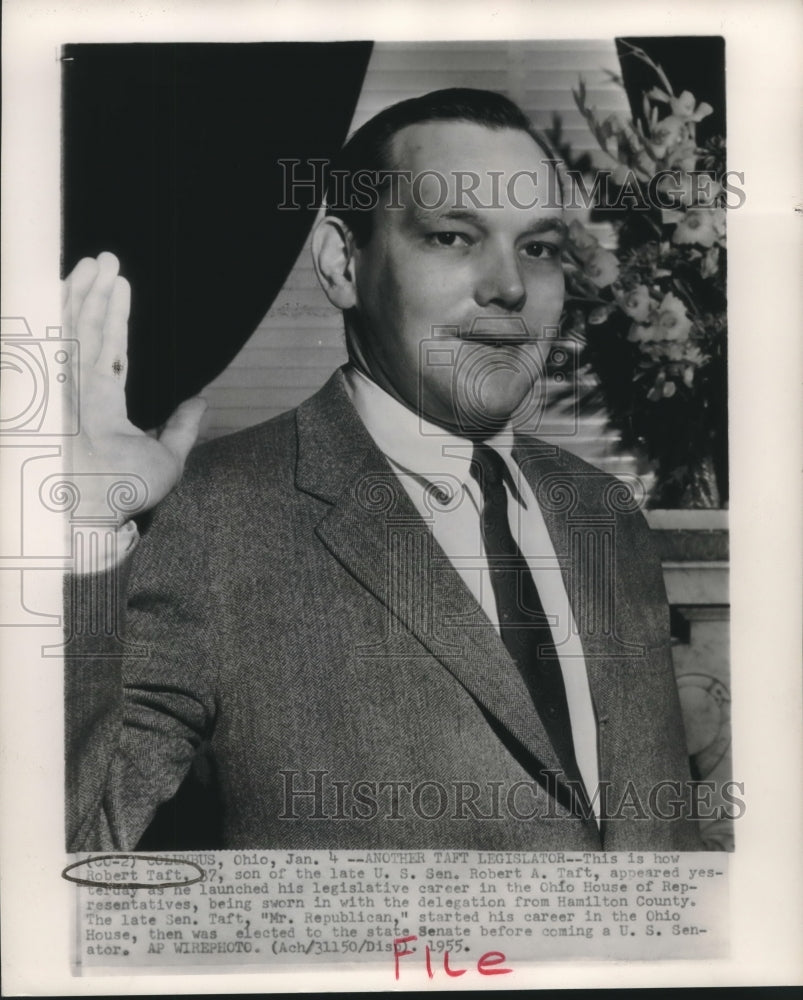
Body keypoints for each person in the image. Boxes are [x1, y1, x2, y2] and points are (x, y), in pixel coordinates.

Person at [64, 89, 703, 852]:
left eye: (537, 248)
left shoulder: (601, 509)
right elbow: (66, 860)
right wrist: (83, 525)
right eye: (452, 237)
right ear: (341, 261)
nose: (508, 286)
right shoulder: (209, 519)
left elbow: (661, 843)